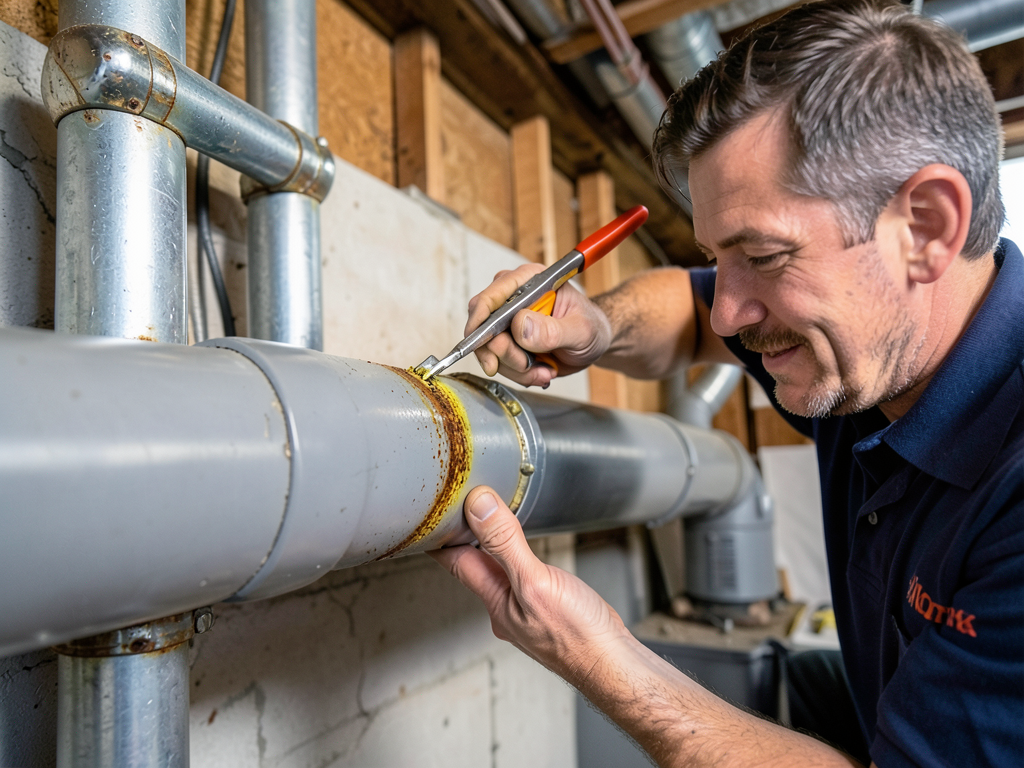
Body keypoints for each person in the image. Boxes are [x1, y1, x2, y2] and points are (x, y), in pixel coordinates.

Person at [430, 1, 1024, 765]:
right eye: (721, 257)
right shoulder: (870, 352)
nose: (730, 313)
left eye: (765, 257)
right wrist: (599, 325)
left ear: (927, 227)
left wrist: (594, 654)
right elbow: (692, 306)